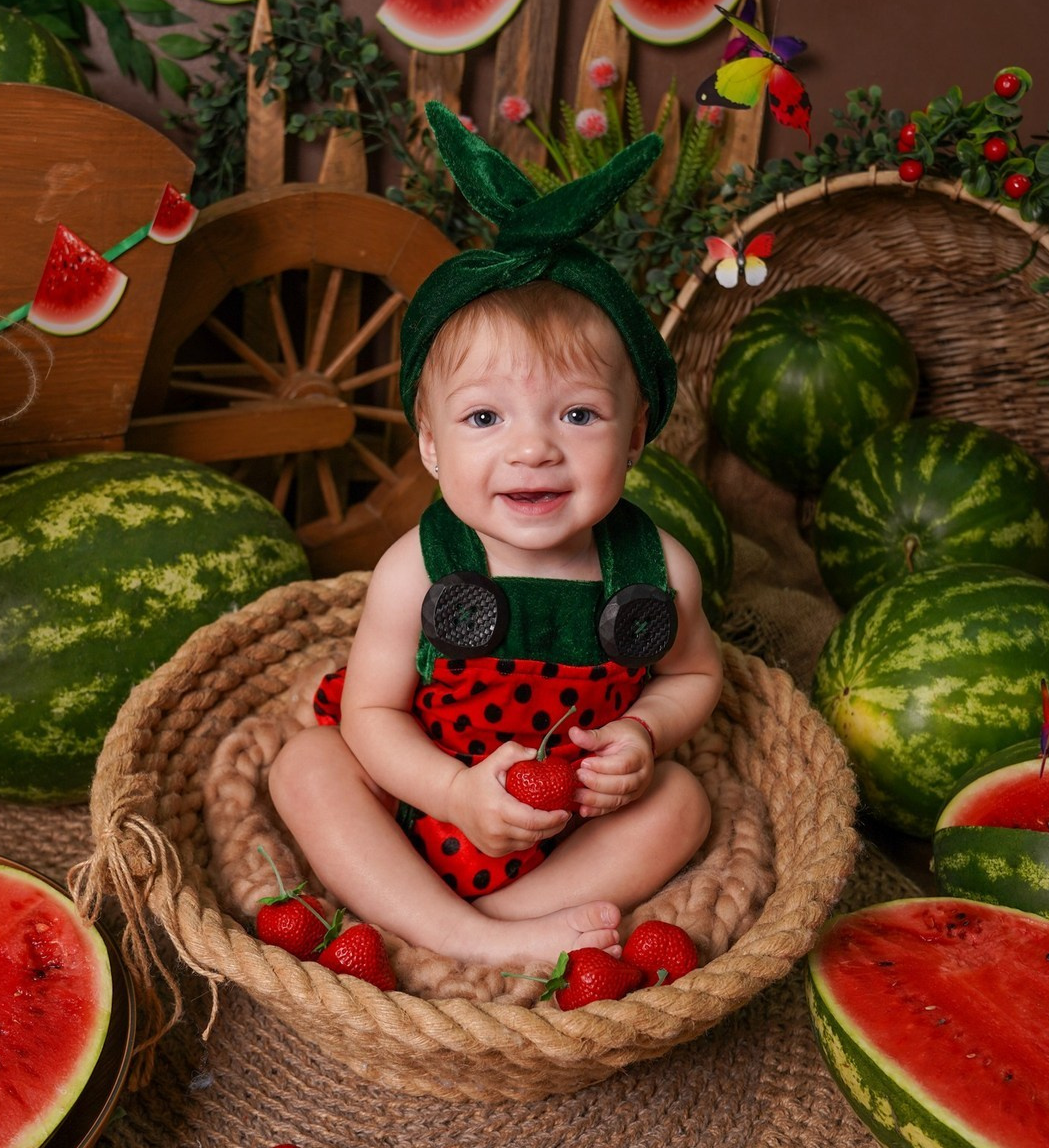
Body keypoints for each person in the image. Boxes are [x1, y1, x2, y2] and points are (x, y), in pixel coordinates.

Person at [268, 102, 723, 968]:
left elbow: (698, 672)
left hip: (576, 821)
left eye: (579, 414)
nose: (531, 448)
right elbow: (371, 714)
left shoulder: (658, 569)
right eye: (484, 416)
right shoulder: (418, 570)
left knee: (686, 803)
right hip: (425, 797)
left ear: (634, 437)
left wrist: (645, 734)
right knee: (305, 764)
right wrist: (451, 791)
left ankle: (510, 922)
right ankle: (455, 932)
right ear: (432, 447)